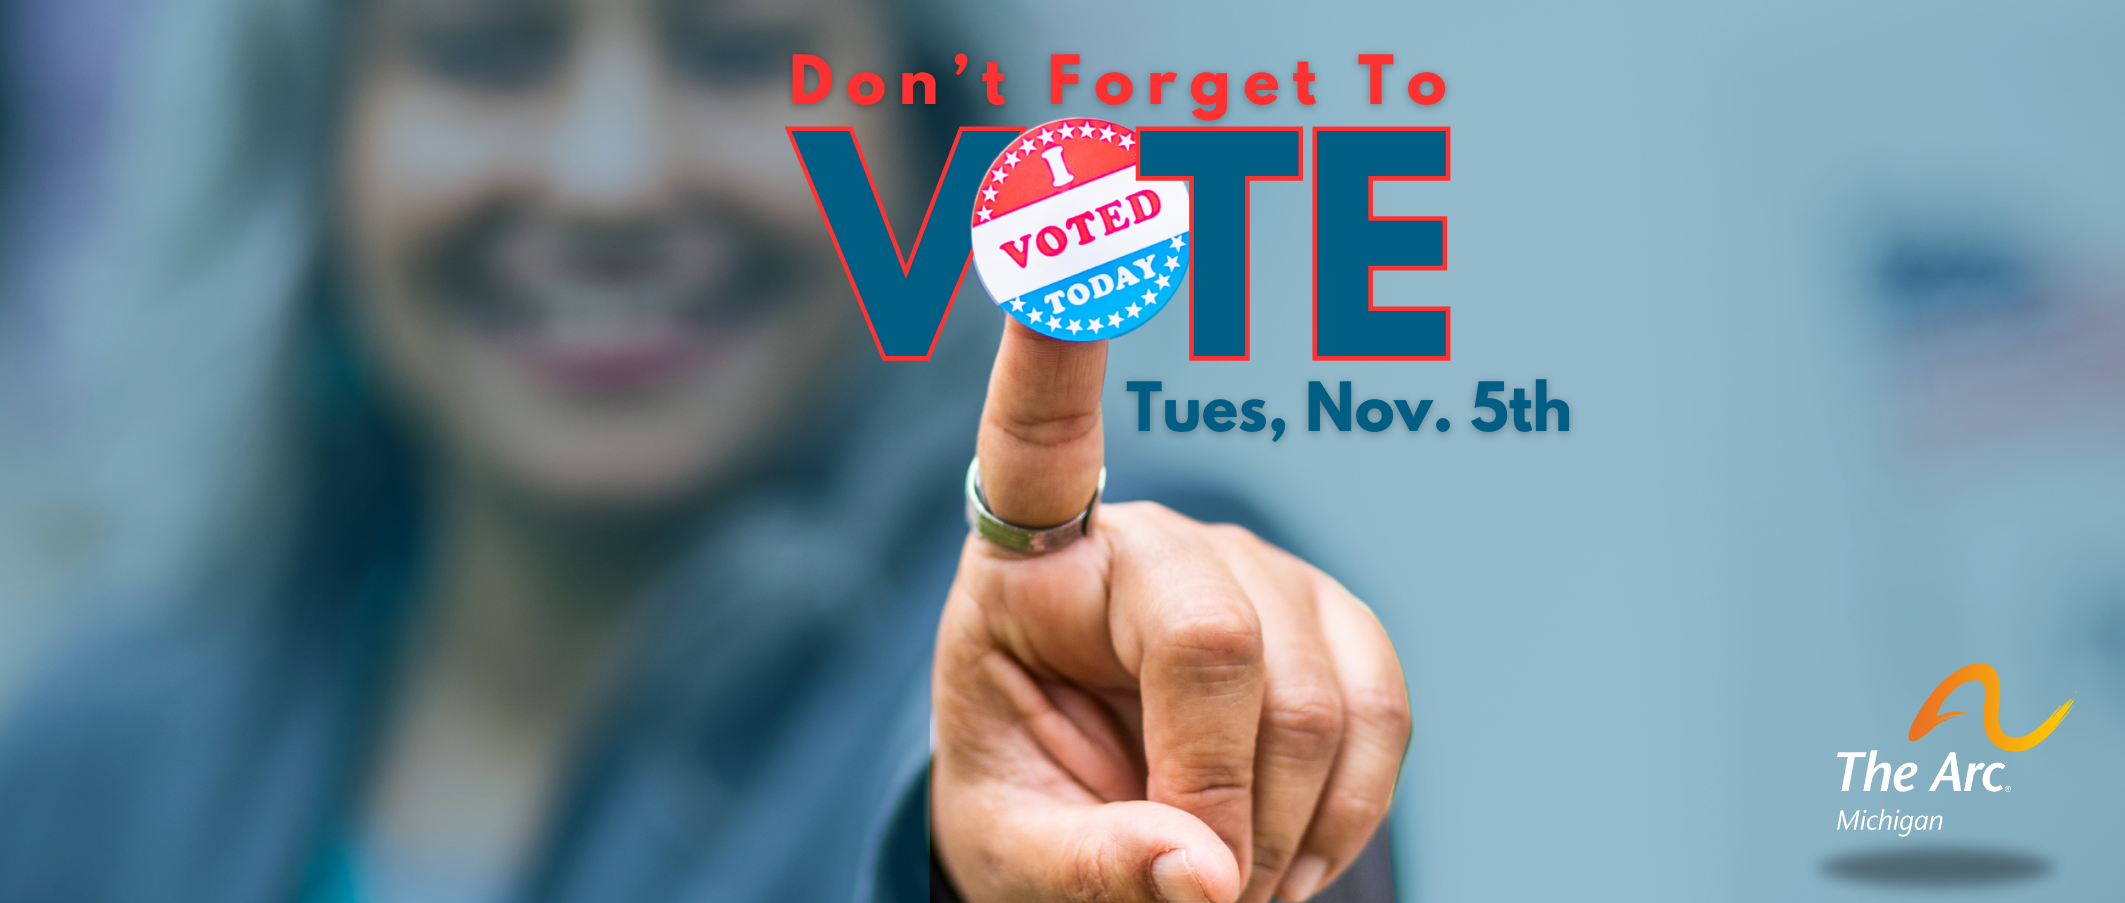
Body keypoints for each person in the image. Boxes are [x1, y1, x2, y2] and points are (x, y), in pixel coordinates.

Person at [0, 0, 1409, 901]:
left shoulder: (1072, 631)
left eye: (740, 53)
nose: (613, 176)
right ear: (315, 149)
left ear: (931, 142)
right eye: (488, 50)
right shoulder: (99, 753)